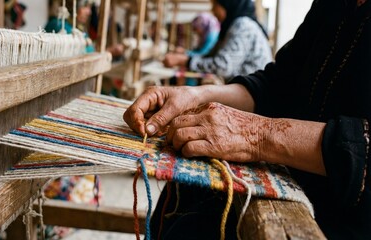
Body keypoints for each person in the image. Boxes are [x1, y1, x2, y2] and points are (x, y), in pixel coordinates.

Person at [123, 0, 371, 239]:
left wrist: (257, 134)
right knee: (185, 196)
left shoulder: (241, 26)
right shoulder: (333, 5)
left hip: (346, 218)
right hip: (293, 178)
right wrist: (194, 95)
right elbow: (277, 85)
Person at [163, 0, 272, 82]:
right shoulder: (232, 27)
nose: (213, 11)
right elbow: (212, 55)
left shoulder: (243, 25)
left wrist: (185, 60)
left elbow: (223, 67)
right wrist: (185, 55)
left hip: (252, 96)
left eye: (215, 5)